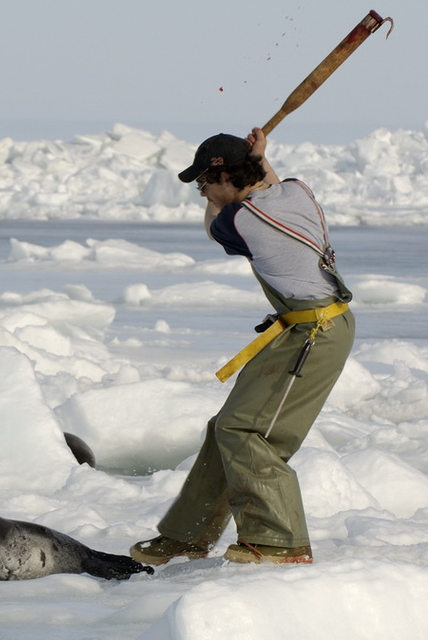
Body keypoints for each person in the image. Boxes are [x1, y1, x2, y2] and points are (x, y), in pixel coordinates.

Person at [130, 127, 355, 565]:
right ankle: (188, 534)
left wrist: (220, 194)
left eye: (203, 183)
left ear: (226, 176)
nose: (202, 193)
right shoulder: (296, 192)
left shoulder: (244, 221)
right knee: (226, 425)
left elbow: (215, 225)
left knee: (247, 432)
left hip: (315, 335)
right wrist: (258, 159)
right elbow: (266, 184)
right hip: (305, 327)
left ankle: (279, 540)